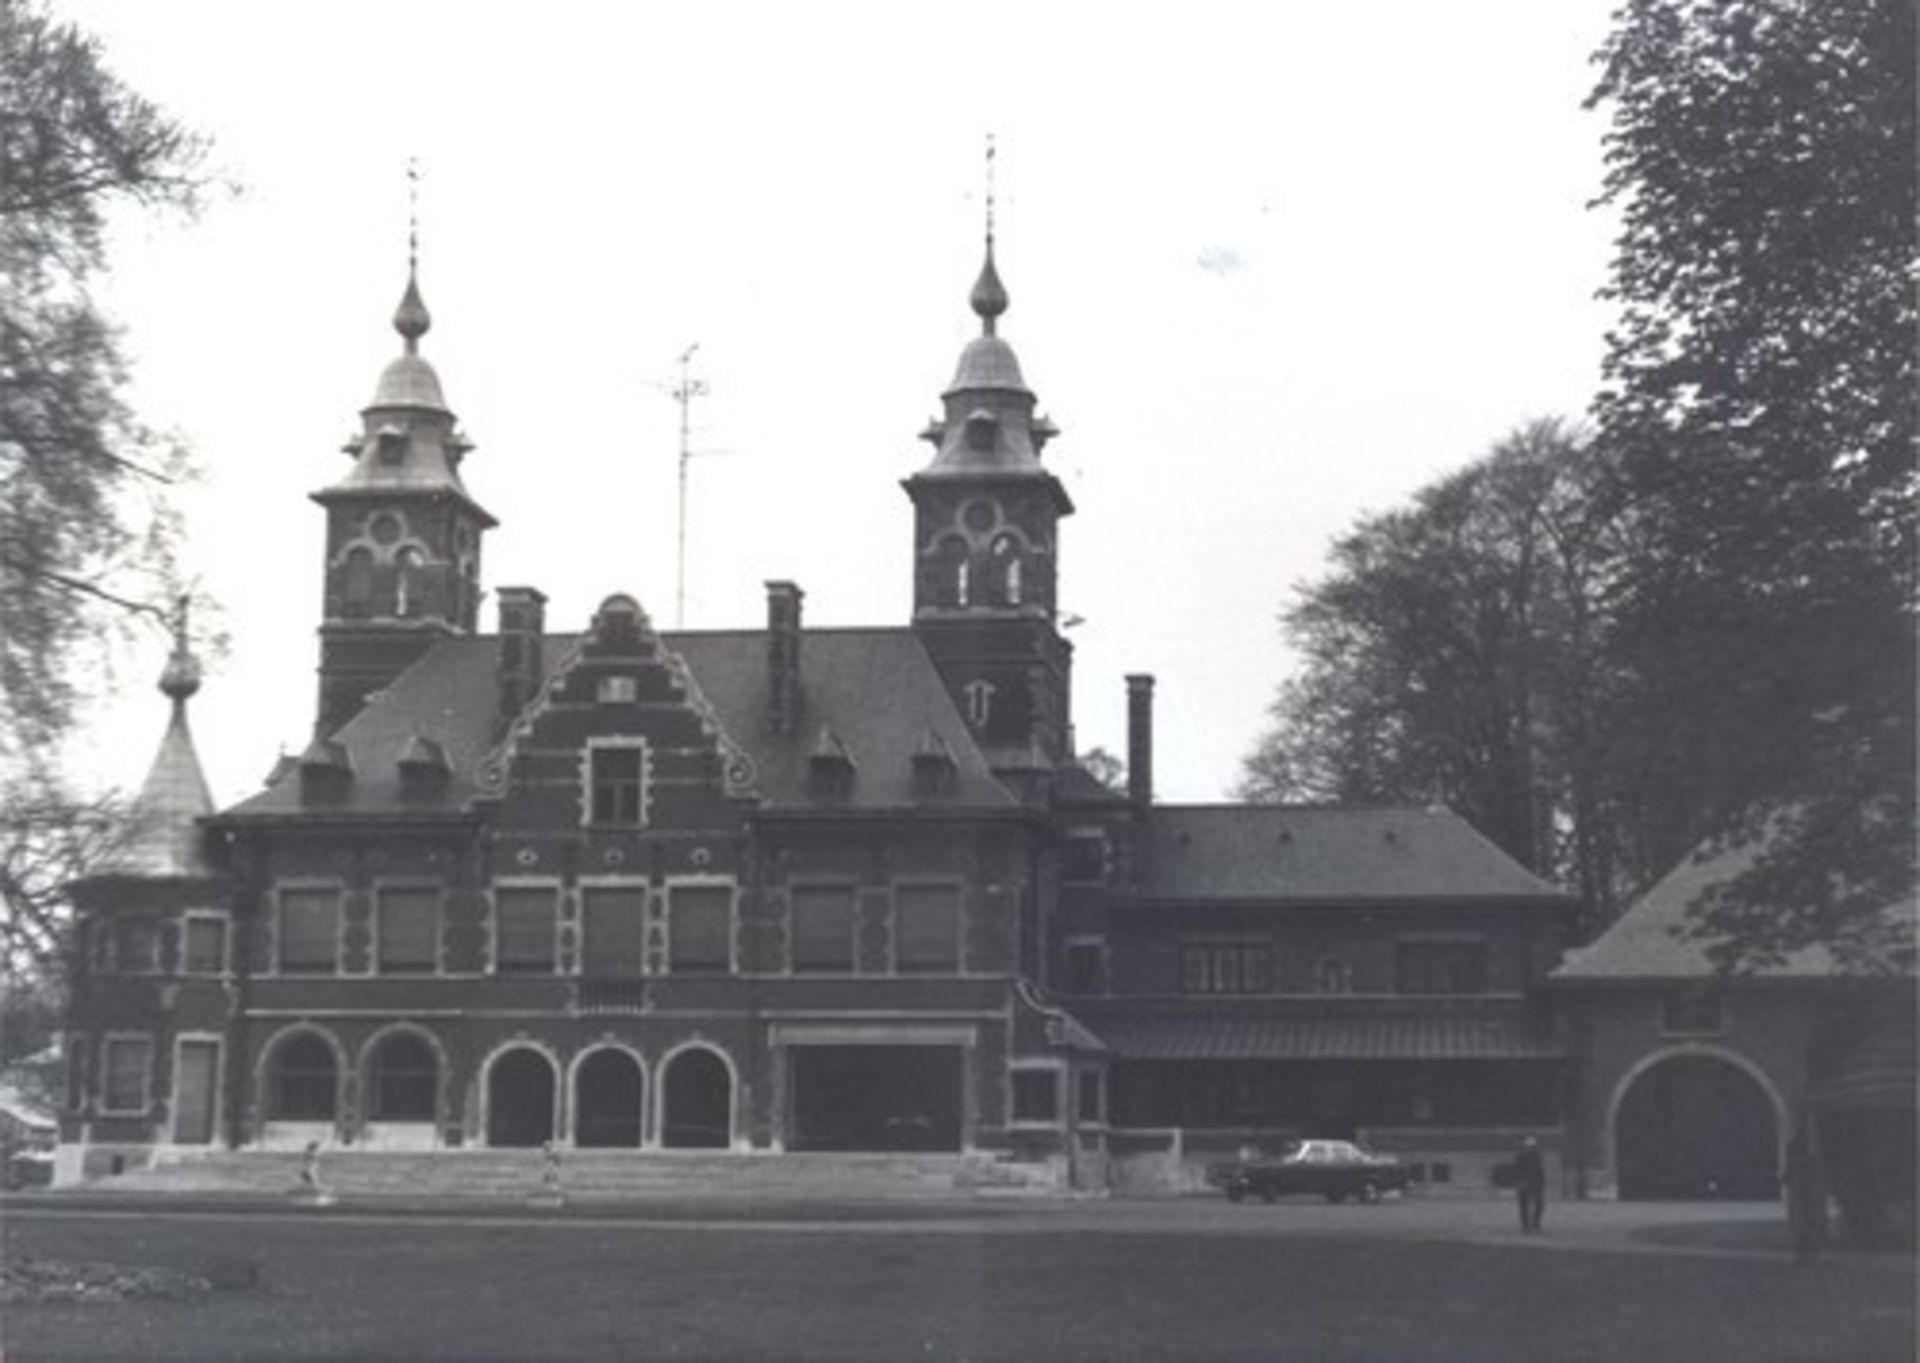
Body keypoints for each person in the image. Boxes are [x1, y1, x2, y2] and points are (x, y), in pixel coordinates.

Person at [1782, 1124, 1825, 1264]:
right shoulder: (1798, 1147)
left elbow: (1789, 1169)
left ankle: (1808, 1251)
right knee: (1803, 1218)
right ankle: (1804, 1251)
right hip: (1802, 1186)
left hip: (1805, 1186)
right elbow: (1790, 1168)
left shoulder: (1801, 1146)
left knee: (1807, 1218)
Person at [1514, 1136, 1546, 1233]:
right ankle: (1532, 1225)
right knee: (1536, 1204)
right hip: (1532, 1183)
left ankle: (1528, 1226)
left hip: (1528, 1183)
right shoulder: (1535, 1156)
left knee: (1527, 1206)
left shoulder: (1521, 1156)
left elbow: (1516, 1171)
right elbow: (1539, 1172)